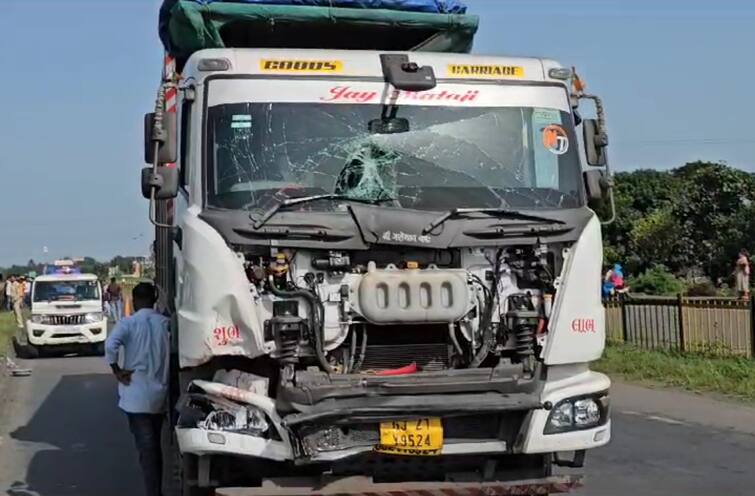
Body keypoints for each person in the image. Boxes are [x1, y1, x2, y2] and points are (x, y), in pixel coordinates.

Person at [105, 282, 169, 496]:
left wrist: (116, 370)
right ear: (154, 300)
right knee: (155, 446)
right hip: (159, 394)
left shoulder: (128, 323)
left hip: (135, 395)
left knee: (147, 449)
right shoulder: (165, 324)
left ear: (133, 301)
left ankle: (154, 492)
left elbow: (110, 344)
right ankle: (156, 489)